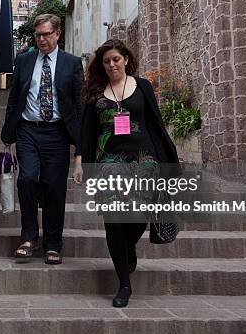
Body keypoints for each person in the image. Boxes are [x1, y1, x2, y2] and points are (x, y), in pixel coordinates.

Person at [79, 39, 179, 307]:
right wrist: (82, 163)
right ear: (101, 64)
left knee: (138, 218)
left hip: (144, 161)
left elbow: (155, 124)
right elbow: (87, 133)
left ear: (125, 59)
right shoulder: (95, 92)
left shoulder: (142, 86)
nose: (112, 64)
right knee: (114, 221)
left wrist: (166, 162)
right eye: (106, 61)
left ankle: (129, 249)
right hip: (108, 163)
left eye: (116, 59)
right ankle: (124, 283)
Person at [1, 14, 84, 265]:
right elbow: (15, 97)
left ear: (57, 34)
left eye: (47, 34)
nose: (42, 39)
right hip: (28, 130)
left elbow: (79, 105)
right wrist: (8, 133)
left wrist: (80, 145)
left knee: (54, 188)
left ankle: (53, 243)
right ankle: (28, 237)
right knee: (27, 179)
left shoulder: (72, 64)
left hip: (57, 133)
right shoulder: (24, 61)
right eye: (38, 35)